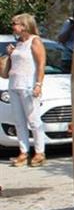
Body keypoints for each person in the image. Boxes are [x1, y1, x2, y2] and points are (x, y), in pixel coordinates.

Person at [3, 14, 47, 167]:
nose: (13, 26)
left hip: (28, 85)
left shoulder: (34, 41)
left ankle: (40, 152)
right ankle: (23, 151)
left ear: (24, 25)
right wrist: (10, 54)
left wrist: (38, 84)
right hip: (14, 84)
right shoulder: (18, 43)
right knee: (19, 121)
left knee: (33, 119)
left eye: (15, 23)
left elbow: (41, 64)